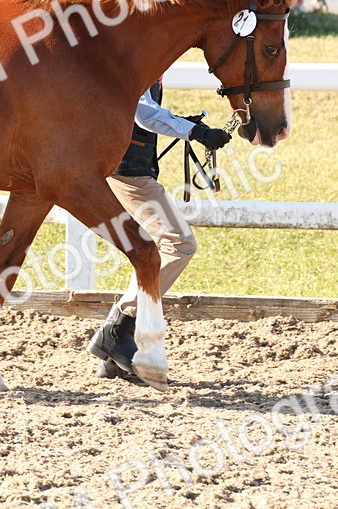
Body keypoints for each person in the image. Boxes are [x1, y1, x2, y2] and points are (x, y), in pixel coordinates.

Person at [88, 81, 232, 381]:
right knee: (178, 243)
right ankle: (117, 327)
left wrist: (185, 124)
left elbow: (146, 110)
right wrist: (196, 132)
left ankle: (114, 357)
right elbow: (142, 112)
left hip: (131, 170)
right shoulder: (139, 53)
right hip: (129, 174)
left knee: (151, 251)